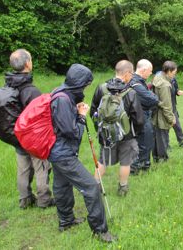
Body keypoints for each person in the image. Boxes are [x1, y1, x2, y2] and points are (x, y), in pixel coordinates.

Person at [49, 64, 116, 243]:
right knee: (91, 187)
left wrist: (75, 109)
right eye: (85, 84)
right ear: (78, 83)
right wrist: (81, 115)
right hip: (63, 153)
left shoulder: (62, 92)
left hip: (56, 151)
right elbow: (71, 132)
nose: (86, 88)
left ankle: (66, 221)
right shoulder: (62, 99)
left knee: (62, 186)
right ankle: (100, 231)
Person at [6, 49, 54, 209]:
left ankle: (25, 200)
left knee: (23, 169)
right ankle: (44, 200)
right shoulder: (30, 90)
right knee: (41, 166)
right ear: (27, 63)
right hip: (32, 138)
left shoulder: (9, 84)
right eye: (31, 59)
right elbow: (42, 115)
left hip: (16, 136)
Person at [90, 60, 144, 196]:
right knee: (125, 163)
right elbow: (139, 119)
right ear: (126, 74)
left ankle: (95, 187)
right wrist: (134, 133)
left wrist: (100, 129)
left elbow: (93, 111)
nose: (131, 77)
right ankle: (122, 188)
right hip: (126, 135)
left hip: (106, 133)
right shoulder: (131, 92)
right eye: (131, 74)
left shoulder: (101, 88)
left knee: (102, 161)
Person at [129, 59, 159, 174]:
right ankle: (137, 168)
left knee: (144, 141)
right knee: (144, 141)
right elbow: (153, 99)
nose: (151, 73)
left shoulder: (139, 81)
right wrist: (152, 95)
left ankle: (142, 165)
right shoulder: (135, 83)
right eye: (150, 71)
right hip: (140, 116)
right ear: (144, 70)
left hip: (139, 115)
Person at [152, 61, 177, 162]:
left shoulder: (157, 77)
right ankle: (162, 158)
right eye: (174, 72)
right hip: (161, 116)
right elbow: (166, 105)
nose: (175, 75)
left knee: (157, 137)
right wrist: (171, 119)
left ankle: (156, 157)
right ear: (169, 72)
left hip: (155, 114)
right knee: (163, 138)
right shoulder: (165, 85)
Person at [170, 77, 183, 148]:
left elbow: (175, 89)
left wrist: (178, 91)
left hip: (173, 105)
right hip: (165, 106)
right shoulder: (162, 79)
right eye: (173, 72)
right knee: (165, 127)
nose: (174, 74)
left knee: (177, 125)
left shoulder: (173, 79)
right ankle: (166, 145)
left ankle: (181, 142)